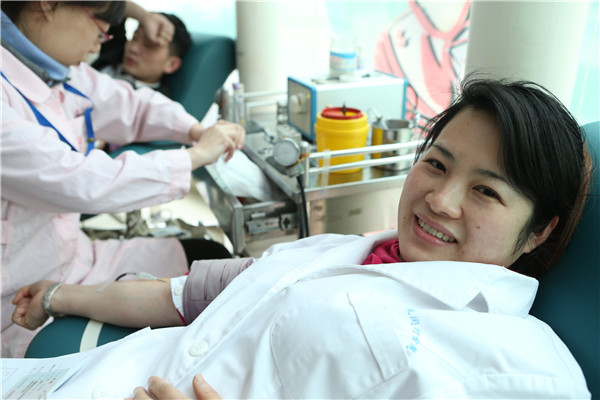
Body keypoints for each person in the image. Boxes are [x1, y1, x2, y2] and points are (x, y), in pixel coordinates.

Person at [10, 78, 593, 398]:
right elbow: (181, 295)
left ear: (539, 230)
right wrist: (58, 296)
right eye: (436, 165)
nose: (440, 200)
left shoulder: (526, 367)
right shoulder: (339, 250)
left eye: (486, 191)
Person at [0, 0, 245, 358]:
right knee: (201, 308)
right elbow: (78, 179)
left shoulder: (56, 71)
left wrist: (194, 130)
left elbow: (131, 104)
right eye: (100, 29)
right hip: (17, 298)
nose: (100, 44)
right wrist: (193, 156)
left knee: (210, 260)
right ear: (49, 5)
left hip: (75, 258)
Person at [92, 10, 192, 98]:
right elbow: (113, 6)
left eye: (148, 46)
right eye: (134, 37)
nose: (133, 48)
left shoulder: (154, 105)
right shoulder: (115, 53)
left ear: (171, 64)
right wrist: (144, 16)